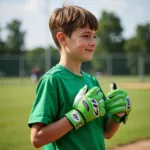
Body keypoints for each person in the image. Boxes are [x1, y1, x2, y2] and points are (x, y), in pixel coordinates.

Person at [28, 5, 131, 150]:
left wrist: (117, 115)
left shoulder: (92, 81)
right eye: (85, 35)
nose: (93, 42)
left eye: (94, 36)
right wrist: (77, 116)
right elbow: (37, 139)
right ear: (62, 38)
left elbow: (106, 132)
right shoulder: (53, 80)